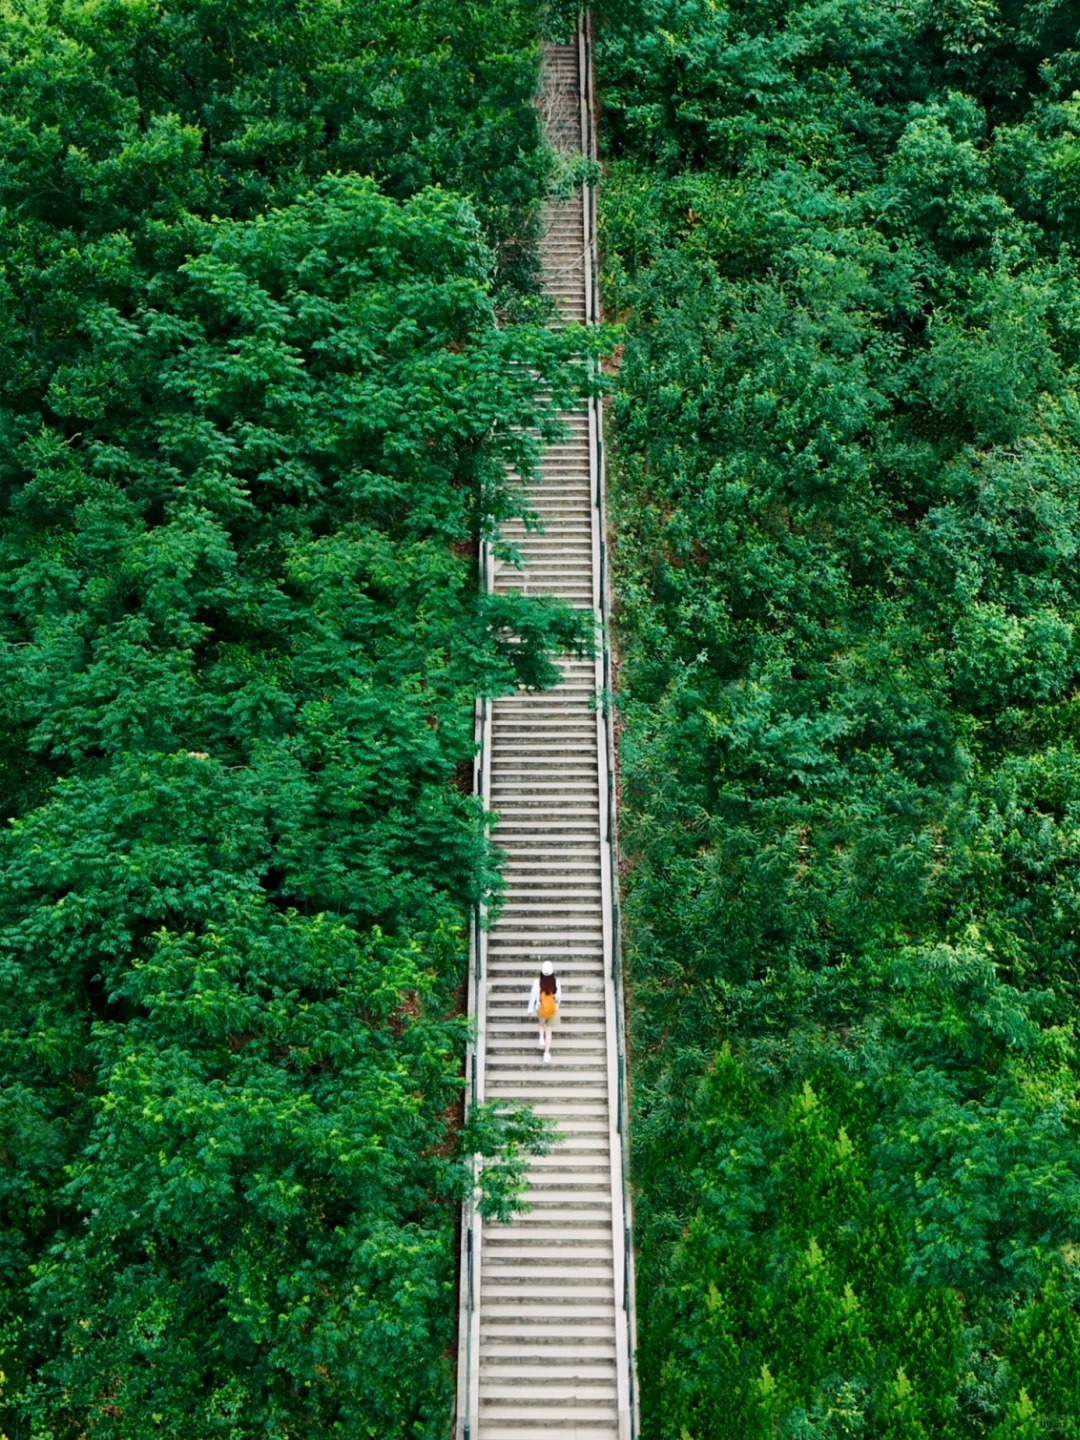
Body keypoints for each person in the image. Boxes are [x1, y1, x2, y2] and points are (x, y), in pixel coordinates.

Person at [527, 960, 561, 1063]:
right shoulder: (556, 982)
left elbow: (533, 996)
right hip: (552, 1009)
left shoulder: (537, 982)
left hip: (540, 1008)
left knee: (541, 1025)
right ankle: (546, 1054)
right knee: (549, 1031)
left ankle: (541, 1038)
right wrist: (556, 1005)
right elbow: (559, 996)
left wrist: (530, 1009)